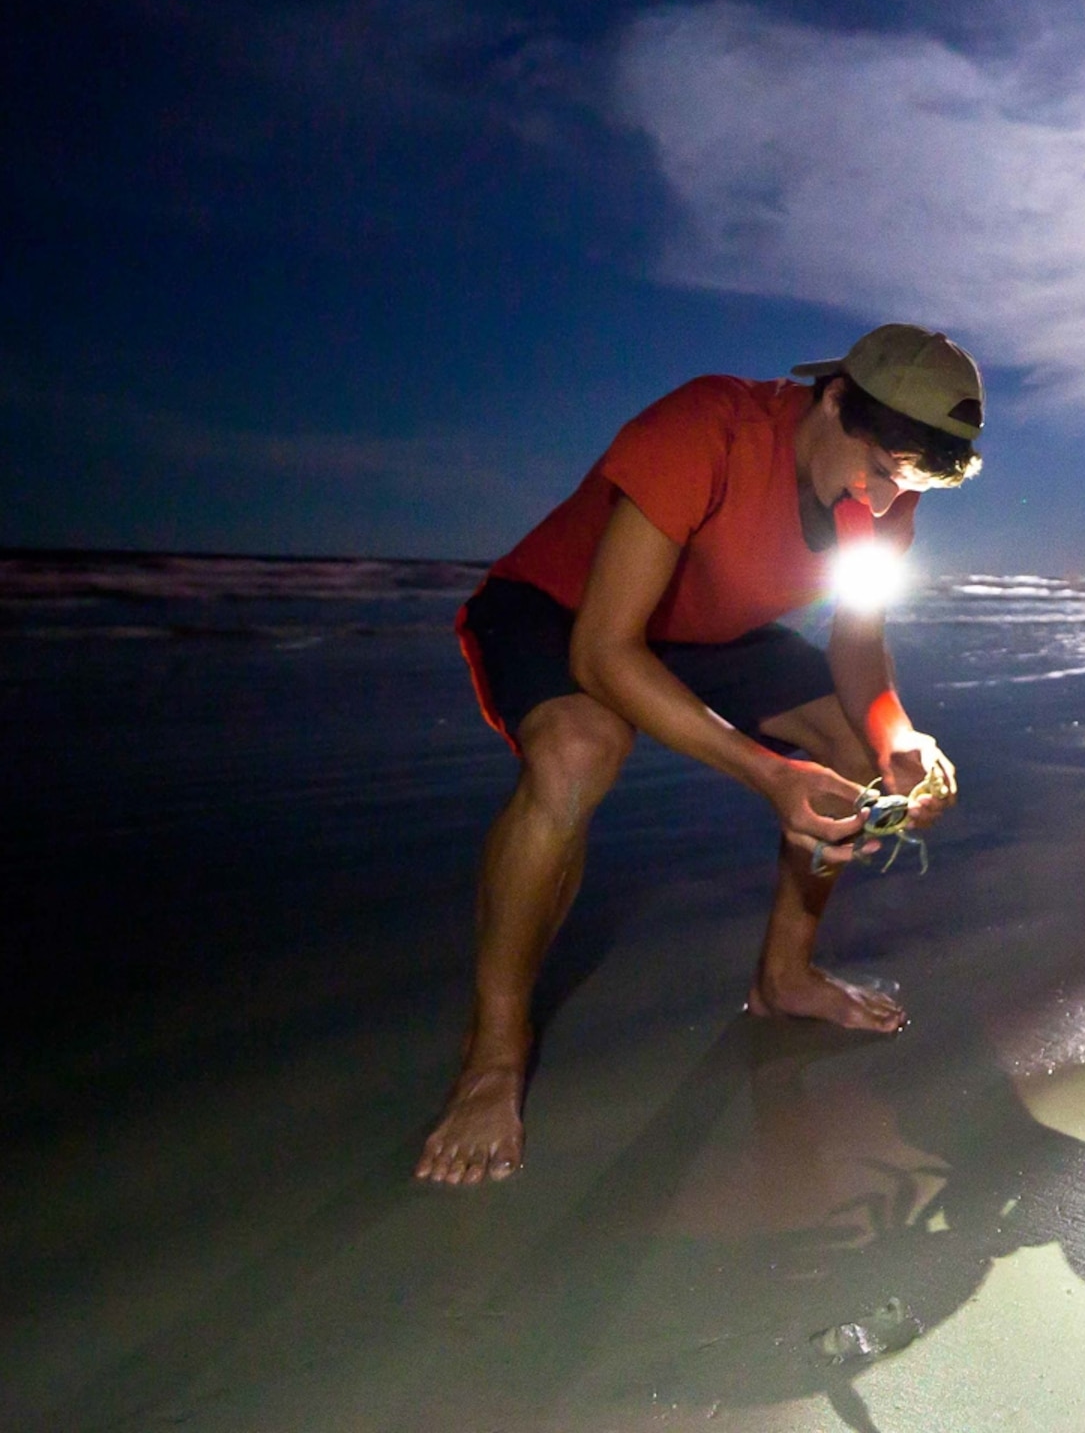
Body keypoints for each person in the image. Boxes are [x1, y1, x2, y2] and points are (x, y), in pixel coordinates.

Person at [416, 324, 983, 1186]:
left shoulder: (887, 494)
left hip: (707, 629)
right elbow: (604, 651)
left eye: (905, 482)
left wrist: (900, 735)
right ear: (833, 399)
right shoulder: (706, 428)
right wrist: (766, 773)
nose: (878, 497)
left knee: (857, 751)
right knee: (578, 750)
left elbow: (857, 651)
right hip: (565, 612)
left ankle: (784, 978)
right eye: (876, 467)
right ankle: (493, 1052)